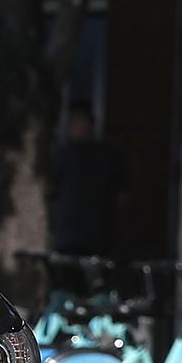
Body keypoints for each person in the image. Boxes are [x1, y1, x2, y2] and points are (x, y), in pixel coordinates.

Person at [49, 103, 127, 255]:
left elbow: (50, 188)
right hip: (102, 235)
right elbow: (123, 198)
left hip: (69, 235)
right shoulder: (110, 155)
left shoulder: (64, 154)